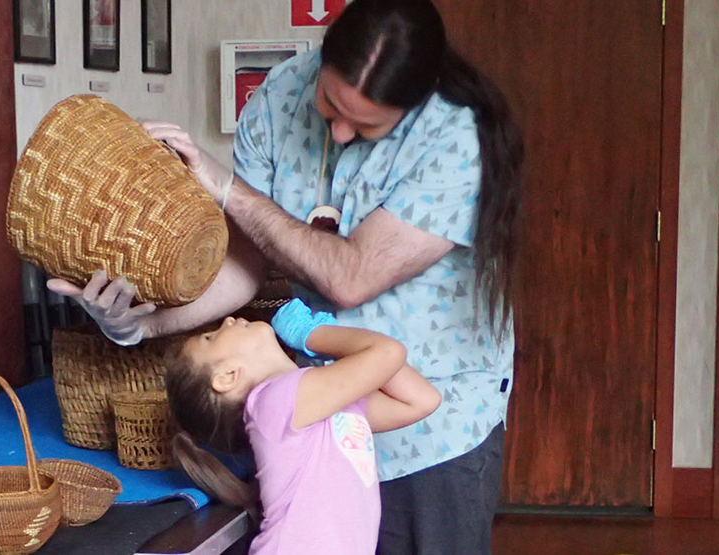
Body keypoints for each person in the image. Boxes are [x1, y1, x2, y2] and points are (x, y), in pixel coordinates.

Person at [47, 0, 523, 553]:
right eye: (329, 105)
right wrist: (136, 326)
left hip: (433, 435)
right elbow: (244, 271)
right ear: (323, 55)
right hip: (325, 421)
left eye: (366, 124)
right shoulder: (278, 96)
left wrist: (226, 187)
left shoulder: (454, 136)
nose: (340, 134)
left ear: (411, 107)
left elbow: (351, 278)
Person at [166, 298, 440, 555]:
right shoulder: (273, 400)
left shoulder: (318, 401)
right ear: (227, 377)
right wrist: (315, 334)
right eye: (211, 338)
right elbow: (388, 353)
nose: (226, 320)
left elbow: (420, 400)